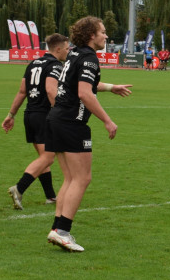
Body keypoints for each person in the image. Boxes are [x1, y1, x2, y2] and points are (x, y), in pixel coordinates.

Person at [45, 17, 133, 252]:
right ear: (91, 36)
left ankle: (56, 229)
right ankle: (63, 231)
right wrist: (107, 120)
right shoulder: (89, 58)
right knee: (82, 178)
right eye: (103, 32)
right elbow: (85, 93)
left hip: (56, 118)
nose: (106, 36)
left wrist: (111, 87)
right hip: (72, 122)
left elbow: (83, 85)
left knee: (70, 179)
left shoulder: (75, 54)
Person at [2, 33, 70, 210]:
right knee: (48, 158)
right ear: (58, 48)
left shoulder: (33, 63)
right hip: (45, 116)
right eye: (67, 48)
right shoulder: (55, 65)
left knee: (44, 158)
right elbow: (50, 90)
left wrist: (11, 114)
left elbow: (22, 91)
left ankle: (50, 196)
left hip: (30, 115)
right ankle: (19, 188)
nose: (68, 51)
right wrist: (61, 114)